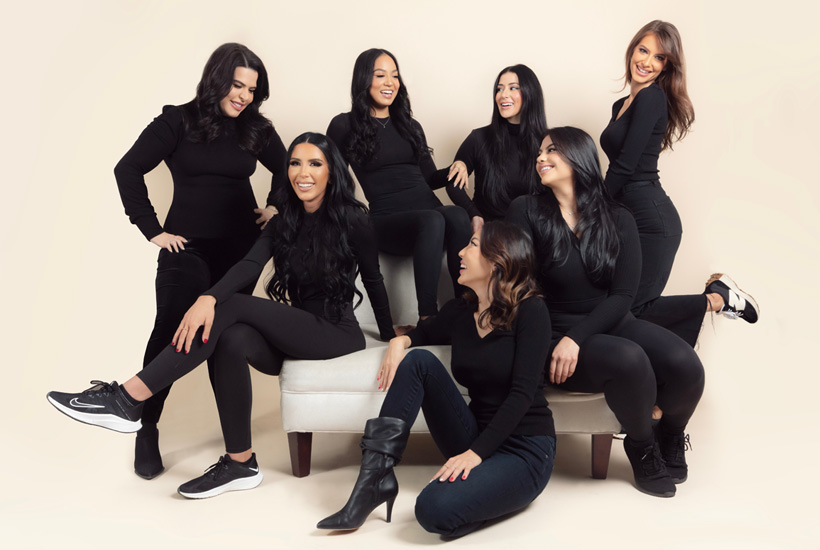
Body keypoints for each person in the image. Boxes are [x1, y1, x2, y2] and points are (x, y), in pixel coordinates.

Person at [47, 133, 396, 499]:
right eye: (295, 163)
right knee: (229, 338)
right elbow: (248, 266)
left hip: (336, 334)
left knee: (229, 306)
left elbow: (373, 279)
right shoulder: (283, 223)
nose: (302, 172)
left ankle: (128, 399)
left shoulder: (354, 220)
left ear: (332, 172)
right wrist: (209, 300)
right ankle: (240, 462)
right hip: (298, 332)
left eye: (314, 164)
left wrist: (393, 336)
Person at [114, 43, 288, 479]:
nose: (244, 95)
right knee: (173, 326)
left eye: (252, 88)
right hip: (186, 247)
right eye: (237, 84)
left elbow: (291, 170)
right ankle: (145, 425)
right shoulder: (177, 119)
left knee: (220, 337)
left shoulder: (257, 129)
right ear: (217, 79)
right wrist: (152, 229)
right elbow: (127, 169)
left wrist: (274, 207)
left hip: (240, 252)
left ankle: (237, 455)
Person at [317, 221, 555, 537]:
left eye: (471, 244)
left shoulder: (531, 311)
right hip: (473, 434)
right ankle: (374, 480)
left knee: (431, 510)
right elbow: (423, 334)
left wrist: (475, 455)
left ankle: (499, 495)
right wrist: (399, 341)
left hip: (524, 448)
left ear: (497, 260)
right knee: (419, 361)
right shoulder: (461, 311)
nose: (460, 252)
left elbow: (523, 394)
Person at [507, 127, 704, 498]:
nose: (540, 158)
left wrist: (577, 338)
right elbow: (520, 288)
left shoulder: (618, 217)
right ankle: (642, 445)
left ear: (579, 157)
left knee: (685, 364)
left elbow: (623, 295)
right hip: (551, 332)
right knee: (628, 359)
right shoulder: (525, 210)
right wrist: (561, 340)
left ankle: (670, 435)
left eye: (552, 150)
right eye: (539, 152)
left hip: (608, 323)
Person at [600, 21, 758, 347]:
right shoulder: (622, 105)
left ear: (666, 67)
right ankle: (667, 388)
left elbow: (627, 165)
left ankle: (718, 298)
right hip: (628, 218)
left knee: (631, 311)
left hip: (653, 219)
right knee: (616, 307)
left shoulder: (652, 98)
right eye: (643, 50)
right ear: (632, 49)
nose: (647, 61)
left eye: (659, 58)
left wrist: (591, 208)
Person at [327, 48, 471, 323]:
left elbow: (430, 177)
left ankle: (466, 306)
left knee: (456, 214)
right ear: (363, 80)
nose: (390, 82)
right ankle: (428, 317)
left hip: (427, 211)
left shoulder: (410, 125)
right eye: (380, 75)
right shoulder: (344, 125)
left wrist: (457, 166)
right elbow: (332, 176)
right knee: (432, 220)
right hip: (387, 221)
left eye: (395, 76)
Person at [443, 64, 547, 233]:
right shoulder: (479, 138)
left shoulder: (547, 143)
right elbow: (453, 184)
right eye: (499, 89)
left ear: (530, 93)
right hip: (490, 233)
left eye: (513, 88)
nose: (503, 95)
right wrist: (474, 215)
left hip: (529, 234)